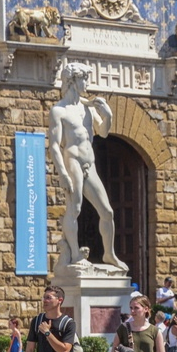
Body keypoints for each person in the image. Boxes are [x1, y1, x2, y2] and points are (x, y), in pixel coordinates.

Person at [48, 62, 127, 272]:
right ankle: (74, 255)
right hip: (72, 160)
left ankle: (109, 254)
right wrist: (62, 173)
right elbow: (54, 146)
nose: (88, 84)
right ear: (73, 81)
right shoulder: (58, 111)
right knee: (74, 208)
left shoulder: (87, 108)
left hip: (89, 163)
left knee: (107, 212)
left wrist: (108, 115)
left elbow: (102, 132)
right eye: (85, 79)